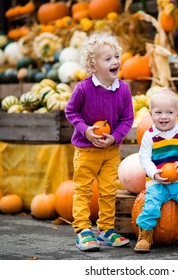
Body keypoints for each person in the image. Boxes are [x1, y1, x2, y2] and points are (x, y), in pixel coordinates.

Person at [65, 32, 134, 251]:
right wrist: (85, 131)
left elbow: (127, 119)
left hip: (111, 150)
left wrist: (115, 136)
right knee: (83, 190)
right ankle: (83, 230)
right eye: (108, 59)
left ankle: (106, 229)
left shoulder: (123, 89)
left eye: (116, 56)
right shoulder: (83, 88)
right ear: (93, 67)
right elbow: (71, 111)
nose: (115, 62)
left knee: (108, 190)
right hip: (87, 150)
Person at [134, 88, 178, 254]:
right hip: (158, 182)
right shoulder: (149, 136)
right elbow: (144, 158)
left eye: (169, 112)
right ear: (151, 114)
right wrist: (153, 173)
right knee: (150, 205)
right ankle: (145, 235)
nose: (164, 116)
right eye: (158, 112)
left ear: (177, 114)